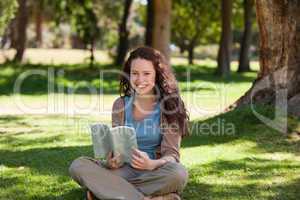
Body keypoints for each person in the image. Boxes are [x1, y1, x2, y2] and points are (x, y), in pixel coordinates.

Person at [69, 46, 190, 200]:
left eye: (146, 74)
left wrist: (151, 164)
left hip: (154, 170)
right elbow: (116, 144)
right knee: (78, 166)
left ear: (157, 75)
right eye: (135, 74)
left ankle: (108, 191)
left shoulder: (171, 105)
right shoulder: (120, 105)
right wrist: (112, 160)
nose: (140, 80)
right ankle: (148, 197)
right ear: (128, 74)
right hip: (123, 170)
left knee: (179, 174)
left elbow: (172, 155)